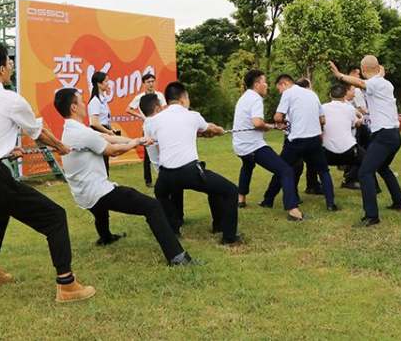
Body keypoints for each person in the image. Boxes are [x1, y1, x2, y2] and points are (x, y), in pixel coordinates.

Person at [0, 42, 95, 303]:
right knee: (55, 217)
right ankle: (67, 285)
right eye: (9, 62)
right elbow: (38, 133)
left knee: (0, 213)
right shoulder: (11, 99)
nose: (11, 66)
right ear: (1, 69)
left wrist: (4, 150)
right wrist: (61, 146)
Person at [55, 88, 193, 266]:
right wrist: (135, 143)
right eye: (81, 101)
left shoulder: (72, 130)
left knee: (99, 209)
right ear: (74, 107)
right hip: (96, 191)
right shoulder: (81, 133)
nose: (84, 105)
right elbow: (112, 151)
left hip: (83, 192)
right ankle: (177, 257)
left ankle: (105, 237)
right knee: (152, 207)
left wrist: (139, 139)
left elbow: (106, 137)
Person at [145, 81, 242, 246]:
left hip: (165, 176)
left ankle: (174, 229)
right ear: (183, 98)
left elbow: (168, 135)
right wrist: (219, 130)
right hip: (189, 172)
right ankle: (229, 237)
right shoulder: (193, 116)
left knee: (161, 194)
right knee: (230, 190)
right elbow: (210, 128)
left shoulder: (153, 121)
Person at [330, 56, 401, 227]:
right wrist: (379, 71)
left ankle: (371, 216)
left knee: (365, 172)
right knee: (383, 168)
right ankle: (399, 202)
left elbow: (361, 83)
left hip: (384, 136)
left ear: (363, 69)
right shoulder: (385, 83)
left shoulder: (375, 83)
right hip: (393, 135)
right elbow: (373, 77)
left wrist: (340, 75)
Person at [232, 70, 303, 221]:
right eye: (264, 82)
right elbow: (257, 123)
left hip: (239, 145)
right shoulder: (256, 99)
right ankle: (293, 210)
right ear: (257, 84)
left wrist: (271, 126)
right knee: (286, 170)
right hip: (253, 146)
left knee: (247, 165)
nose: (267, 86)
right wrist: (271, 126)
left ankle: (241, 199)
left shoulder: (244, 97)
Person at [262, 74, 338, 212]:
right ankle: (331, 203)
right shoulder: (312, 94)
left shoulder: (288, 93)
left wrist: (281, 123)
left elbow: (278, 116)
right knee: (323, 171)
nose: (279, 92)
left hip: (297, 140)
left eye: (279, 88)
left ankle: (268, 200)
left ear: (284, 84)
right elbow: (322, 120)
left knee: (281, 169)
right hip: (314, 139)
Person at [139, 94, 185, 224]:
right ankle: (175, 219)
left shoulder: (147, 123)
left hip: (162, 166)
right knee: (172, 193)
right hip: (165, 166)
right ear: (157, 108)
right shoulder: (155, 123)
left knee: (174, 192)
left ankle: (177, 217)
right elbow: (161, 146)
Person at [322, 84, 365, 193]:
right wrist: (360, 120)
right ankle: (356, 181)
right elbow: (356, 124)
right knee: (366, 159)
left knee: (312, 159)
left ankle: (313, 184)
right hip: (349, 152)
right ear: (344, 96)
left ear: (330, 95)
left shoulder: (322, 107)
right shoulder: (349, 108)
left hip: (326, 152)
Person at [126, 73, 167, 187]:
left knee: (163, 150)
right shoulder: (139, 97)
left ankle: (164, 176)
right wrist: (140, 116)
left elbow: (163, 109)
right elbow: (128, 109)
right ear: (144, 84)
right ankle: (148, 180)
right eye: (148, 82)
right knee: (148, 155)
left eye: (153, 81)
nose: (151, 84)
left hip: (160, 127)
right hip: (147, 127)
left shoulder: (159, 95)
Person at [88, 71, 118, 177]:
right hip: (99, 132)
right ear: (99, 84)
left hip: (104, 130)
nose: (108, 84)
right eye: (106, 81)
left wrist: (111, 128)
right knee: (101, 162)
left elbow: (104, 119)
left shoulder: (103, 100)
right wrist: (108, 132)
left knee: (105, 160)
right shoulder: (95, 101)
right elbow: (94, 123)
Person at [349, 66, 371, 149]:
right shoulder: (356, 90)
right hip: (359, 122)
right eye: (358, 74)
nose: (359, 77)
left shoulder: (345, 88)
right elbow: (362, 109)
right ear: (352, 73)